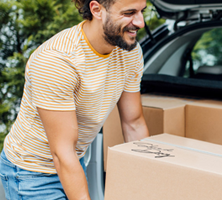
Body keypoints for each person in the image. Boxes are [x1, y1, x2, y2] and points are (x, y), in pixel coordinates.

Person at [0, 0, 149, 199]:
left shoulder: (129, 52)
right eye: (129, 13)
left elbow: (134, 124)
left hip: (73, 159)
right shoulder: (57, 60)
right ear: (97, 10)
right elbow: (62, 153)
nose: (140, 22)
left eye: (142, 11)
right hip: (32, 171)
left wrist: (148, 184)